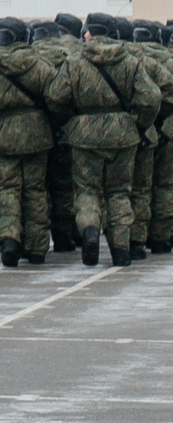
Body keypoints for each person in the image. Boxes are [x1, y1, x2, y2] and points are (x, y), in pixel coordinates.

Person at [53, 18, 160, 266]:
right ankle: (121, 249)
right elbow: (152, 96)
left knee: (87, 189)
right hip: (123, 133)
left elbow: (55, 95)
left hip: (85, 133)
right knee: (119, 191)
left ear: (89, 33)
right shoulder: (130, 61)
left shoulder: (75, 61)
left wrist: (70, 120)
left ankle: (90, 231)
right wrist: (140, 124)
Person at [0, 19, 53, 268]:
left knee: (6, 189)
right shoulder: (42, 66)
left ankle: (9, 239)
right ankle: (37, 247)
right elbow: (56, 98)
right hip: (36, 134)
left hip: (2, 135)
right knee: (35, 190)